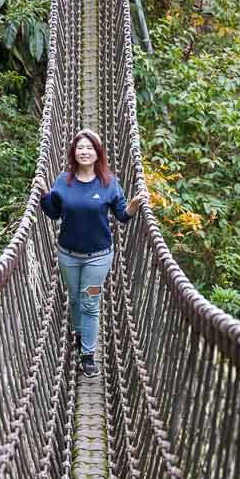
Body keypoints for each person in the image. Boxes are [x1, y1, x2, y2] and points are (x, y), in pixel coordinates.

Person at [34, 129, 147, 377]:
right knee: (74, 299)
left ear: (98, 153)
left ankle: (87, 355)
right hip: (68, 254)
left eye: (89, 148)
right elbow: (53, 213)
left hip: (99, 256)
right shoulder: (63, 180)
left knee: (90, 303)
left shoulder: (109, 183)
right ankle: (79, 333)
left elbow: (121, 216)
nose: (84, 152)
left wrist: (135, 205)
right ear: (74, 152)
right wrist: (43, 193)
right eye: (80, 148)